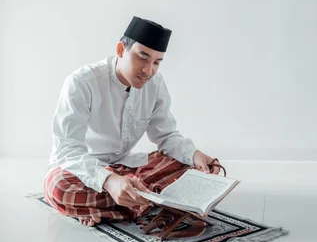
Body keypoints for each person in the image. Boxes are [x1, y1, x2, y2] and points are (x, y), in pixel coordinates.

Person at [44, 16, 219, 227]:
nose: (148, 70)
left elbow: (166, 136)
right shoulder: (81, 82)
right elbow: (67, 150)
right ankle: (149, 200)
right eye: (142, 58)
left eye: (156, 62)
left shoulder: (155, 83)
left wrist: (195, 155)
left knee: (188, 166)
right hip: (80, 170)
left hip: (126, 169)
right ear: (120, 50)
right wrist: (107, 180)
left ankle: (118, 204)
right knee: (57, 187)